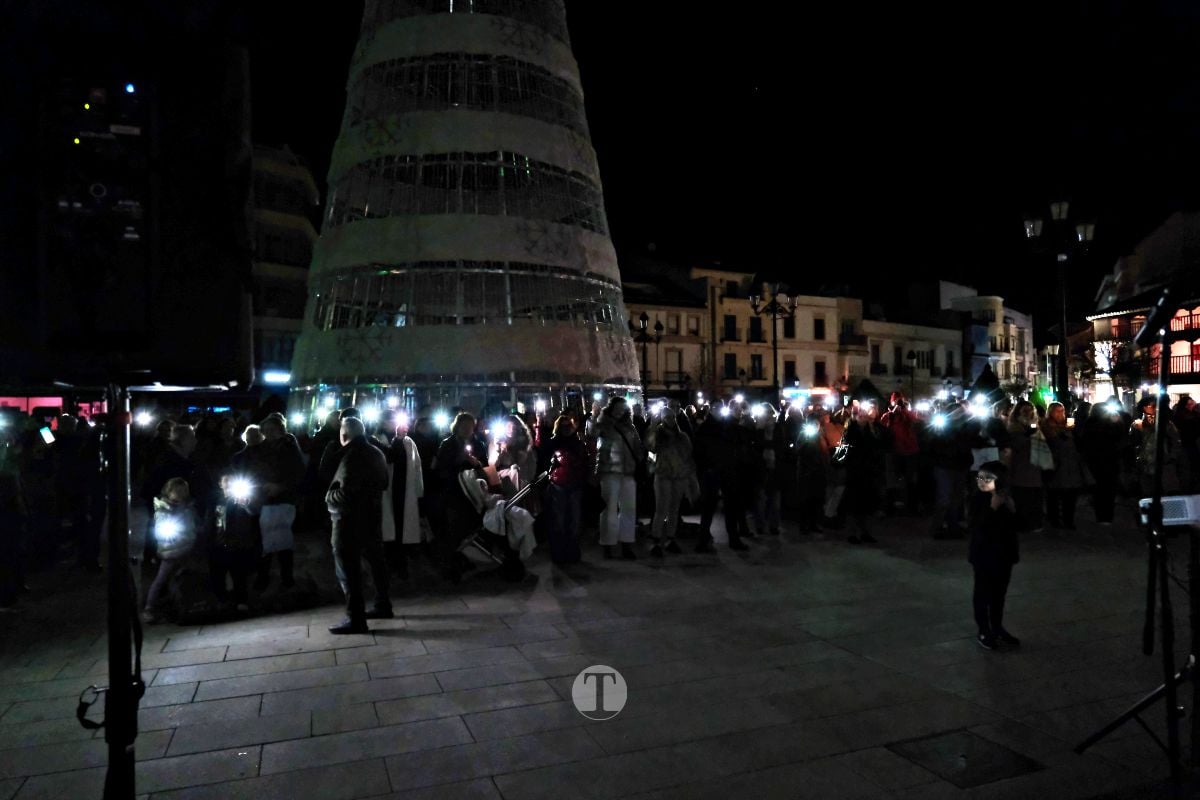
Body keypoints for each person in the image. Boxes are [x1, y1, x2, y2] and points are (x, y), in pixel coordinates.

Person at [326, 417, 392, 634]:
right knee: (376, 562)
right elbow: (383, 483)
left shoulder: (351, 456)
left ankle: (356, 618)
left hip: (348, 521)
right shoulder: (376, 452)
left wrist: (329, 496)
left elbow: (346, 493)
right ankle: (383, 605)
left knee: (348, 569)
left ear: (344, 435)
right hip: (372, 517)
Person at [968, 461, 1020, 650]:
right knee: (982, 593)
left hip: (1003, 555)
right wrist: (992, 508)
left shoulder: (1005, 497)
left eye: (987, 478)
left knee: (999, 594)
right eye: (979, 476)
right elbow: (977, 527)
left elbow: (1014, 528)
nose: (981, 481)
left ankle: (997, 627)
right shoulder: (977, 499)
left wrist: (1011, 509)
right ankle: (984, 630)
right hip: (983, 555)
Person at [252, 414, 305, 591]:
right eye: (266, 430)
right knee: (265, 540)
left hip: (284, 499)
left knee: (283, 538)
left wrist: (281, 487)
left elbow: (297, 473)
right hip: (265, 498)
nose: (269, 433)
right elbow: (255, 472)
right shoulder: (260, 449)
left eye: (272, 430)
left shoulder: (289, 447)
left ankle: (286, 579)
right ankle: (264, 577)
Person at [142, 477, 198, 624]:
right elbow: (160, 530)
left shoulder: (187, 507)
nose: (179, 495)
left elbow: (192, 524)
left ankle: (182, 606)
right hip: (171, 551)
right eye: (176, 491)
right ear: (169, 491)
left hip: (187, 548)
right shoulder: (163, 509)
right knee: (161, 579)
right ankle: (149, 608)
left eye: (183, 491)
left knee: (181, 578)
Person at [592, 396, 642, 559]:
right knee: (609, 510)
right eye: (618, 407)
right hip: (609, 472)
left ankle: (626, 544)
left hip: (627, 473)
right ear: (611, 408)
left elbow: (638, 448)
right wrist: (594, 417)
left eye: (623, 408)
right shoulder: (604, 426)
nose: (620, 411)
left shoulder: (630, 427)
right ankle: (608, 544)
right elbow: (594, 441)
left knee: (629, 509)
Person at [645, 407, 696, 558]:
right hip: (663, 475)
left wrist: (689, 477)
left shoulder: (682, 436)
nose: (670, 420)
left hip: (679, 476)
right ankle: (655, 541)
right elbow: (650, 448)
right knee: (661, 509)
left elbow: (688, 456)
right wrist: (653, 427)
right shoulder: (658, 435)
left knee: (674, 510)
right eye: (667, 417)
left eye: (672, 417)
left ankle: (670, 539)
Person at [385, 414, 424, 579]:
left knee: (401, 528)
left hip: (403, 492)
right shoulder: (382, 440)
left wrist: (418, 490)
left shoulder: (409, 442)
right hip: (389, 492)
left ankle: (401, 566)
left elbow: (417, 467)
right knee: (391, 529)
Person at [843, 400, 888, 544]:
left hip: (868, 472)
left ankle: (865, 532)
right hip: (855, 472)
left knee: (867, 504)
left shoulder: (873, 431)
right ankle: (852, 533)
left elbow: (880, 446)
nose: (863, 417)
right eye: (860, 415)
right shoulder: (850, 431)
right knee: (854, 504)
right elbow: (844, 451)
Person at [546, 414, 588, 564]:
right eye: (563, 426)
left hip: (574, 484)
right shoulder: (553, 443)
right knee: (560, 520)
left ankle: (572, 551)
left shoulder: (578, 443)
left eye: (568, 426)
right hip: (559, 484)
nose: (566, 429)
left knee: (574, 521)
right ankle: (560, 553)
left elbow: (584, 462)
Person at [1041, 402, 1089, 529]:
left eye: (1062, 410)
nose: (1060, 413)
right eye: (1057, 411)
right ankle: (1054, 519)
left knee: (1070, 495)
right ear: (1050, 412)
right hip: (1055, 464)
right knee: (1054, 494)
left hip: (1070, 465)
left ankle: (1068, 520)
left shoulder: (1068, 425)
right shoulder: (1046, 425)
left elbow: (1077, 443)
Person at [1005, 401, 1045, 533]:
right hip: (1020, 466)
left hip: (1034, 466)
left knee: (1034, 496)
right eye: (1024, 411)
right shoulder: (1014, 427)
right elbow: (1016, 444)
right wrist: (1028, 436)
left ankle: (1034, 522)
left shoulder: (1034, 425)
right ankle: (1022, 522)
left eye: (1030, 410)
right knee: (1022, 496)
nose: (1028, 414)